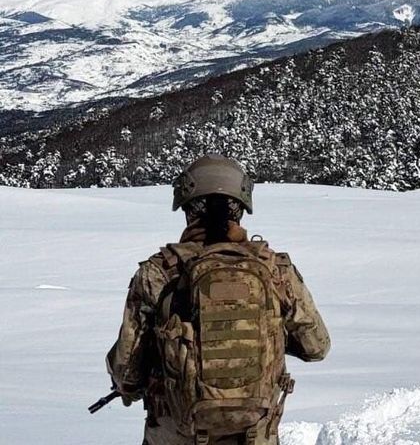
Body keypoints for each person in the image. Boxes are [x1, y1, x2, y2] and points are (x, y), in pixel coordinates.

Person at [106, 155, 330, 445]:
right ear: (241, 206)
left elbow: (127, 371)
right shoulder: (275, 270)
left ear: (187, 206)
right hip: (254, 435)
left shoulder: (157, 273)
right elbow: (317, 347)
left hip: (175, 436)